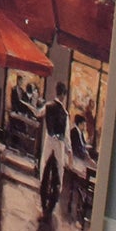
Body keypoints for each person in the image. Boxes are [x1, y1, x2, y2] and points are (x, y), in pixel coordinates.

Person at [35, 82, 70, 216]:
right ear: (63, 95)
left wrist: (37, 104)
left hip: (49, 141)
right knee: (58, 174)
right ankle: (51, 205)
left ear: (56, 92)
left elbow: (38, 114)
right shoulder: (65, 114)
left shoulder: (48, 106)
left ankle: (44, 204)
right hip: (59, 144)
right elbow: (66, 137)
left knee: (44, 168)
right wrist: (69, 151)